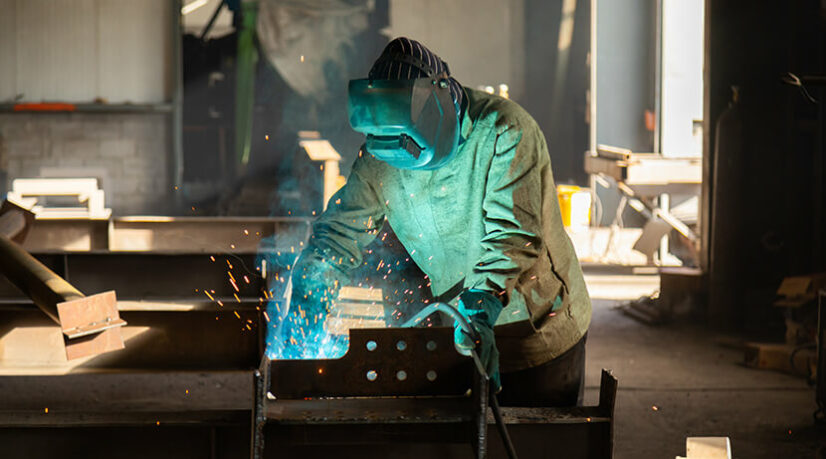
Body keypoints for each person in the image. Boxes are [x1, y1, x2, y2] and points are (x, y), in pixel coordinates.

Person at [278, 37, 592, 407]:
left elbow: (512, 237)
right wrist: (311, 291)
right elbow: (339, 234)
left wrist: (481, 307)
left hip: (537, 327)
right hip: (456, 330)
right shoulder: (380, 154)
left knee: (532, 433)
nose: (400, 158)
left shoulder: (505, 131)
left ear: (443, 106)